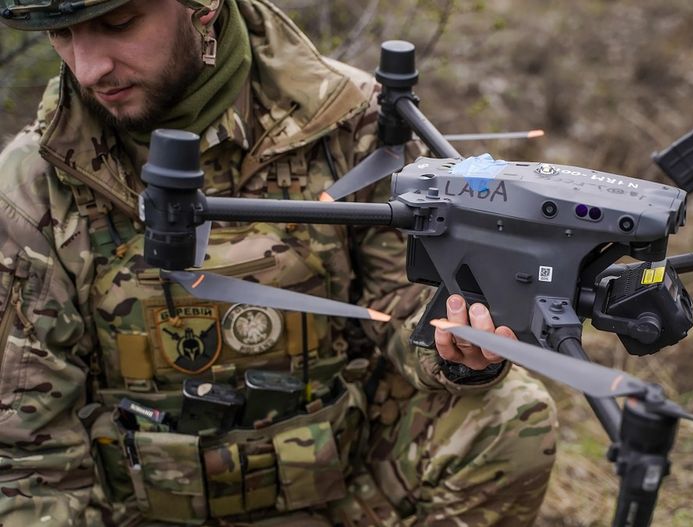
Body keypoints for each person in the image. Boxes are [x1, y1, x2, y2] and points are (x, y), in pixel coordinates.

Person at [0, 0, 557, 525]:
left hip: (342, 487)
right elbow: (27, 455)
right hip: (138, 508)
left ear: (203, 7)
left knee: (509, 418)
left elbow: (402, 303)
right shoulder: (32, 186)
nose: (88, 68)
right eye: (61, 33)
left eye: (119, 23)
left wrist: (453, 348)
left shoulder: (348, 119)